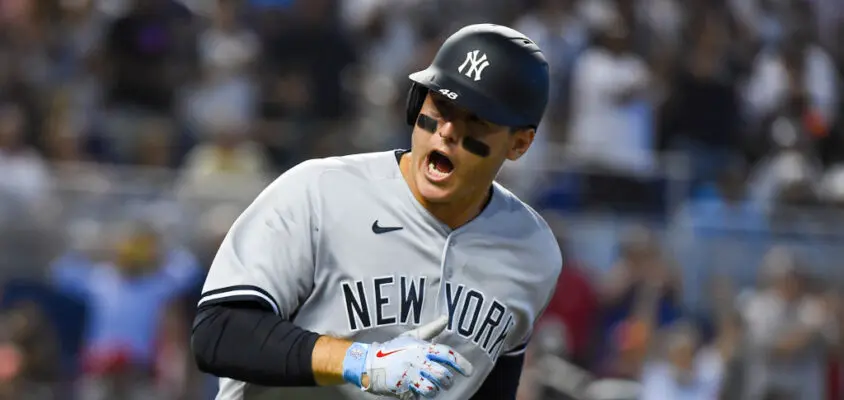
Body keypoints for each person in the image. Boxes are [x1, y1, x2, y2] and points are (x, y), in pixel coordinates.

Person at [191, 23, 562, 400]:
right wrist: (361, 361)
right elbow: (218, 332)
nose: (447, 131)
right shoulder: (318, 191)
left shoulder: (532, 250)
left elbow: (491, 388)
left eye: (476, 120)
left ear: (519, 143)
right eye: (441, 106)